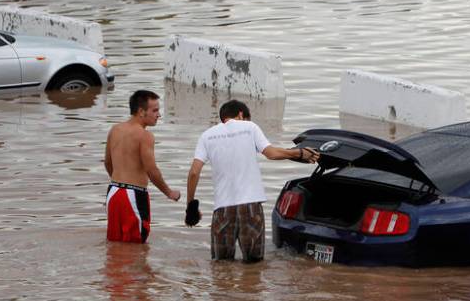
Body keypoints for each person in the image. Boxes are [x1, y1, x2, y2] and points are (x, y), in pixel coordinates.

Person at [184, 100, 319, 263]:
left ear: (223, 118)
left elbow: (193, 173)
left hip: (222, 209)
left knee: (221, 266)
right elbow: (271, 153)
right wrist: (298, 153)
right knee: (254, 266)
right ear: (241, 114)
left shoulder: (207, 135)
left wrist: (191, 206)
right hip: (250, 206)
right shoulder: (250, 127)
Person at [104, 90, 181, 243]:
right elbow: (151, 171)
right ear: (141, 111)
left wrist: (120, 183)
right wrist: (169, 192)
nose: (158, 115)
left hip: (113, 193)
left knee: (115, 245)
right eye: (155, 110)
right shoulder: (145, 136)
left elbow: (107, 162)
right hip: (133, 195)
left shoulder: (115, 130)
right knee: (136, 247)